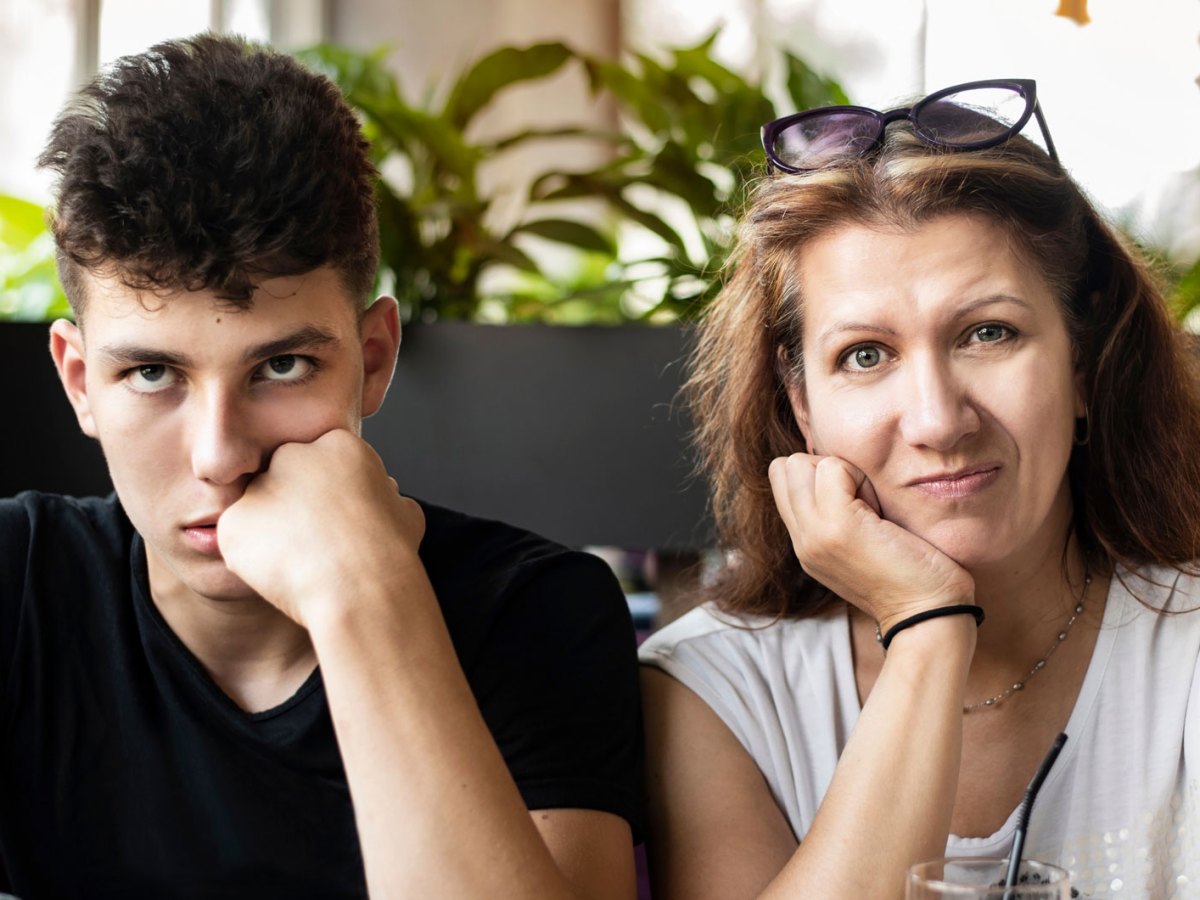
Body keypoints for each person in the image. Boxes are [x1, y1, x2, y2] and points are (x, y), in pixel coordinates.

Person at [0, 33, 642, 899]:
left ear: (373, 359)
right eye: (152, 374)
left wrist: (363, 594)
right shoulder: (17, 581)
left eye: (281, 367)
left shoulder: (536, 611)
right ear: (81, 382)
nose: (220, 456)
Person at [638, 78, 1200, 899]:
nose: (938, 420)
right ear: (801, 406)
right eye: (865, 354)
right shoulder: (712, 690)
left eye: (988, 333)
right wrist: (929, 629)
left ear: (1083, 363)